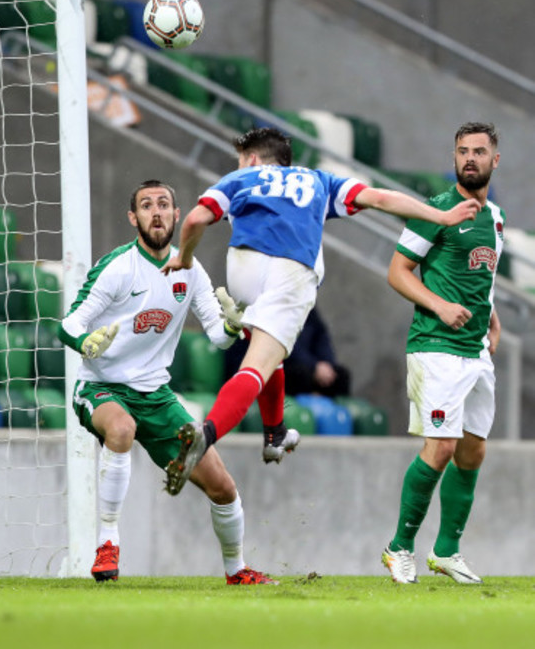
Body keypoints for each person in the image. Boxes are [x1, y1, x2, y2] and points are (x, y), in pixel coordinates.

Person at [161, 127, 482, 497]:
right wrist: (439, 217)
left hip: (242, 269)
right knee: (258, 364)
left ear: (252, 158)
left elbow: (194, 221)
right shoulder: (319, 181)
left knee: (269, 353)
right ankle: (206, 435)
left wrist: (184, 258)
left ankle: (274, 433)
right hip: (291, 271)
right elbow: (380, 197)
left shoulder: (239, 177)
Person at [58, 179, 276, 585]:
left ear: (177, 216)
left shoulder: (190, 270)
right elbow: (69, 324)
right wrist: (85, 341)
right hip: (102, 387)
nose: (155, 212)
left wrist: (232, 324)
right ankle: (108, 545)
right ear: (133, 217)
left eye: (163, 205)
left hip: (156, 396)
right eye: (146, 205)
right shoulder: (117, 267)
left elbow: (216, 336)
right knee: (121, 428)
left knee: (224, 488)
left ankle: (236, 571)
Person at [381, 122, 504, 585]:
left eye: (478, 151)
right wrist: (438, 304)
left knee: (472, 451)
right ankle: (398, 548)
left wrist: (490, 317)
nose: (469, 158)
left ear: (495, 160)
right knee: (441, 447)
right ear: (453, 158)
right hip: (435, 346)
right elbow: (397, 271)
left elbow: (479, 278)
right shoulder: (435, 210)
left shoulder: (495, 218)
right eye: (462, 151)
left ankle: (447, 551)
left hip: (475, 351)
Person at [283, 307, 351, 398]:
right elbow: (286, 344)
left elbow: (321, 336)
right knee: (300, 374)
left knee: (340, 375)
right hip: (289, 364)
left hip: (314, 365)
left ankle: (340, 411)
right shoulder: (280, 308)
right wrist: (314, 366)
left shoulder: (309, 308)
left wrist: (327, 364)